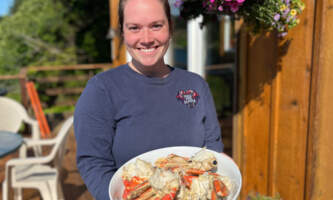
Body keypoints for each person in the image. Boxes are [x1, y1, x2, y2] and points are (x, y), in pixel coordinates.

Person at [74, 0, 223, 199]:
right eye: (134, 28)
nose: (146, 39)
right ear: (122, 32)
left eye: (156, 26)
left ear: (170, 26)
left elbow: (213, 147)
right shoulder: (101, 90)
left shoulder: (196, 85)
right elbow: (93, 163)